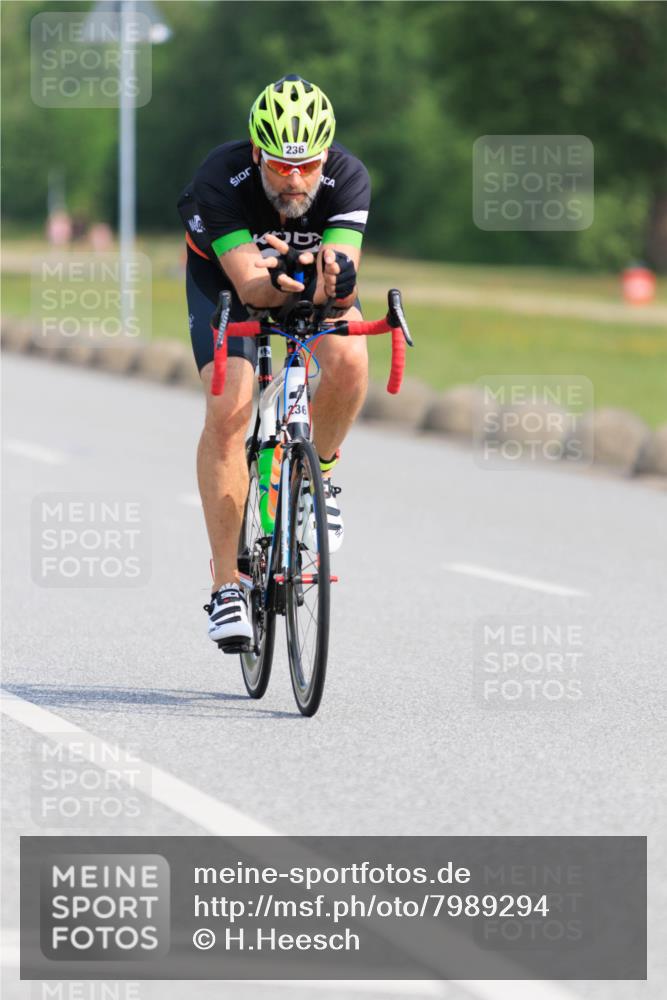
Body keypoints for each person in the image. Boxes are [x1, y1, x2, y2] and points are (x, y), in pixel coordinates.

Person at [178, 74, 371, 647]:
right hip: (226, 283)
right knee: (231, 407)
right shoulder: (221, 177)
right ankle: (226, 587)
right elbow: (253, 287)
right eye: (281, 166)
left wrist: (332, 280)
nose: (295, 179)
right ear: (259, 152)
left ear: (325, 156)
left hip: (297, 280)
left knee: (352, 360)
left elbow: (339, 279)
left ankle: (320, 482)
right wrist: (306, 284)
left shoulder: (349, 177)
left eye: (308, 165)